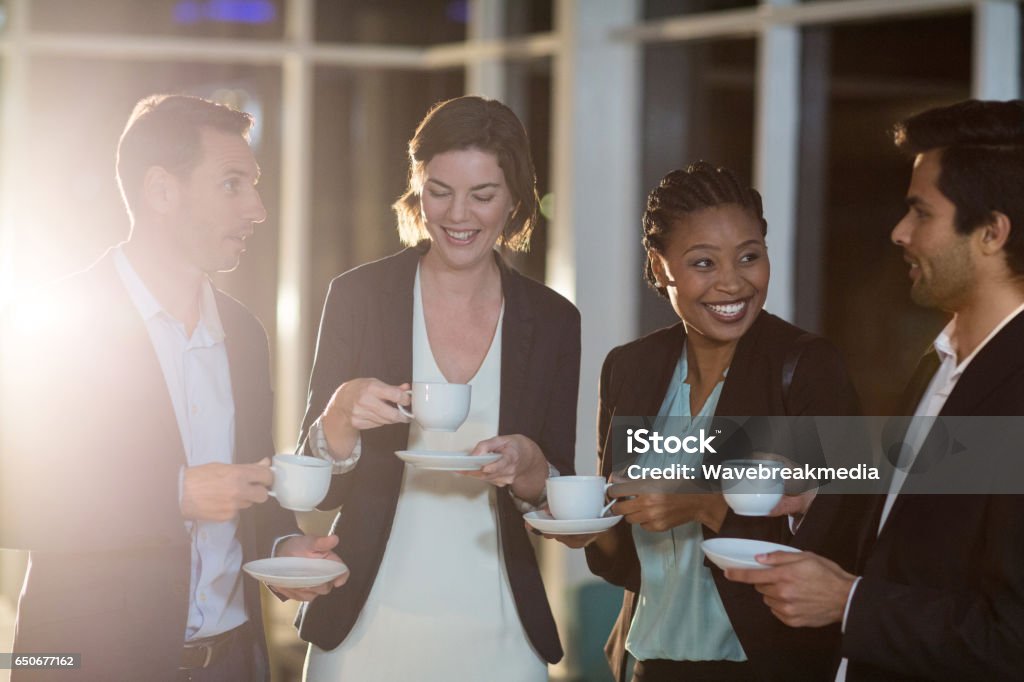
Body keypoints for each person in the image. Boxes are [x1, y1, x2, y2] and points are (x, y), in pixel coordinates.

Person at [0, 94, 345, 681]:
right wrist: (173, 494)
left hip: (234, 663)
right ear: (161, 191)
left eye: (254, 185)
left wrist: (281, 547)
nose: (258, 209)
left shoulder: (244, 333)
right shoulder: (53, 320)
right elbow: (14, 502)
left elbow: (246, 495)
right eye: (233, 185)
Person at [725, 99, 1024, 681]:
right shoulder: (942, 361)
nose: (899, 232)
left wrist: (849, 603)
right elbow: (928, 523)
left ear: (991, 232)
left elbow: (1014, 638)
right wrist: (821, 494)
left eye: (921, 213)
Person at [292, 95, 581, 681]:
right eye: (440, 190)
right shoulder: (358, 297)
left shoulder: (553, 320)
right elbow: (312, 497)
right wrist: (341, 415)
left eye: (483, 195)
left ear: (515, 198)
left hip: (500, 627)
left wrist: (531, 465)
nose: (458, 215)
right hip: (364, 627)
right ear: (416, 187)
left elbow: (556, 501)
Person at [570, 162, 869, 681]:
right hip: (648, 662)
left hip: (766, 666)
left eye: (749, 257)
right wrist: (589, 527)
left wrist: (706, 504)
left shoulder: (805, 366)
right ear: (661, 266)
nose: (733, 282)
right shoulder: (630, 367)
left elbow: (843, 531)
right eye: (703, 262)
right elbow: (621, 558)